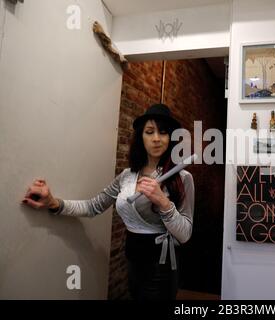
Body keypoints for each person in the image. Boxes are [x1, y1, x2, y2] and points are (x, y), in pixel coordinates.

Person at [21, 103, 195, 300]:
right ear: (141, 137)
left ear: (171, 138)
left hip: (161, 265)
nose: (156, 138)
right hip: (133, 259)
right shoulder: (126, 176)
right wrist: (53, 202)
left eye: (163, 133)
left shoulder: (182, 178)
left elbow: (185, 234)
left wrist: (164, 203)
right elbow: (94, 206)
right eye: (149, 131)